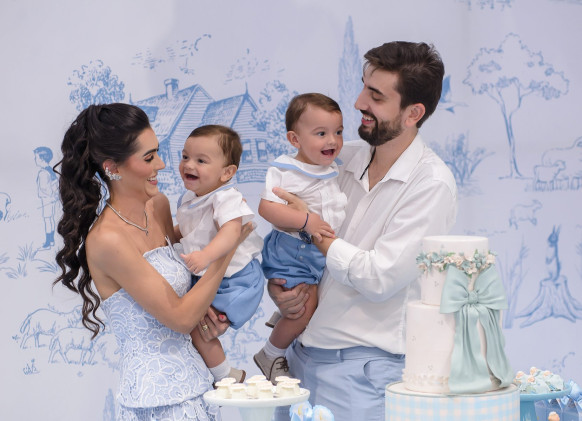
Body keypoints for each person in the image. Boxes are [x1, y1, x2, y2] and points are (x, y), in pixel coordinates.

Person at [269, 42, 458, 421]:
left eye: (376, 96)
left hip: (361, 376)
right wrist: (281, 288)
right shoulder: (341, 157)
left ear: (413, 113)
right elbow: (289, 232)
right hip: (298, 359)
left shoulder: (431, 184)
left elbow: (378, 278)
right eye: (363, 87)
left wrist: (314, 228)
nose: (358, 102)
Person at [54, 103, 249, 420]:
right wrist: (227, 249)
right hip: (156, 402)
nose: (162, 163)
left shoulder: (158, 206)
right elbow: (180, 317)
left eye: (157, 152)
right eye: (148, 158)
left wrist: (209, 317)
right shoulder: (108, 239)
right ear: (112, 167)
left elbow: (186, 293)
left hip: (198, 385)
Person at [253, 93, 346, 380]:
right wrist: (306, 220)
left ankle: (284, 320)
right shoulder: (286, 170)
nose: (332, 140)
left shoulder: (330, 168)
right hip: (292, 250)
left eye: (338, 132)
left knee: (308, 302)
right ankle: (270, 354)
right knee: (305, 307)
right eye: (321, 133)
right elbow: (267, 208)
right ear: (295, 139)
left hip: (313, 253)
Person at [175, 124, 264, 384]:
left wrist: (205, 256)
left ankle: (226, 376)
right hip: (214, 274)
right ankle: (225, 374)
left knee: (196, 324)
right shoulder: (191, 197)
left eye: (201, 161)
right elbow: (188, 228)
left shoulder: (226, 198)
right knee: (193, 324)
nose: (189, 165)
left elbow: (231, 232)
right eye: (185, 156)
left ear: (227, 173)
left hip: (238, 279)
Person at [34, 146, 59, 250]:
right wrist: (54, 195)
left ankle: (48, 243)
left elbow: (44, 188)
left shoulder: (42, 173)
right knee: (50, 219)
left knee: (47, 220)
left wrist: (50, 195)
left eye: (36, 158)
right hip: (51, 200)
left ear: (42, 159)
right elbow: (55, 185)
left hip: (46, 200)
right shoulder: (50, 170)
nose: (35, 160)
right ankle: (51, 241)